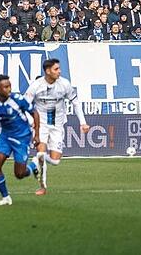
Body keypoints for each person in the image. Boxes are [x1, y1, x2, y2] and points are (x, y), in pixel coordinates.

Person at [24, 58, 89, 196]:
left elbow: (76, 103)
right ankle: (42, 187)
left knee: (55, 160)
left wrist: (82, 122)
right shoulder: (36, 86)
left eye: (59, 68)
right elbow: (24, 106)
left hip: (58, 124)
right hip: (40, 125)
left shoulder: (64, 84)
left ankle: (35, 161)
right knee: (41, 150)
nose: (59, 71)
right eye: (56, 69)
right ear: (48, 71)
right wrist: (32, 122)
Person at [0, 75, 41, 206]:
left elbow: (35, 113)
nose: (9, 89)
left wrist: (36, 135)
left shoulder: (17, 100)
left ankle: (34, 165)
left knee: (20, 174)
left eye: (10, 86)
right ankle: (5, 197)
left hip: (22, 137)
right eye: (6, 87)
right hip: (5, 137)